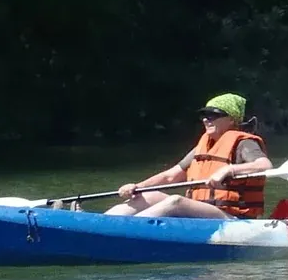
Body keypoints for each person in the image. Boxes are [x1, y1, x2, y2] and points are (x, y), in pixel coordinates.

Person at [108, 94, 272, 219]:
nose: (207, 119)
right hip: (202, 209)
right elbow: (170, 176)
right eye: (204, 115)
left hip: (233, 217)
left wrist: (229, 169)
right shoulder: (204, 146)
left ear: (231, 119)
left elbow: (265, 165)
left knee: (176, 201)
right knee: (148, 195)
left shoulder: (244, 143)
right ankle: (103, 222)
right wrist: (136, 187)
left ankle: (124, 230)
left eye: (213, 115)